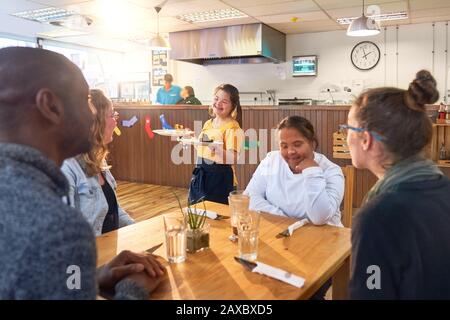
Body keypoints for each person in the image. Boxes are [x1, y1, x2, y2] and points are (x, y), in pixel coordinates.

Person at [0, 47, 165, 299]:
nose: (92, 114)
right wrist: (133, 290)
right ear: (50, 106)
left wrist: (93, 277)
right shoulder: (58, 230)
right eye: (85, 99)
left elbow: (62, 285)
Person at [347, 70, 450, 299]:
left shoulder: (378, 217)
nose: (346, 138)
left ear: (366, 139)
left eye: (349, 129)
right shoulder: (444, 188)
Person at [245, 116, 344, 226]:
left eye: (297, 145)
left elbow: (320, 218)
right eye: (284, 146)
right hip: (281, 232)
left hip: (325, 238)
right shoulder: (271, 160)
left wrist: (313, 172)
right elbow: (250, 197)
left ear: (313, 144)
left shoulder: (332, 171)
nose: (291, 151)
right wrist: (284, 219)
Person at [61, 89, 134, 236]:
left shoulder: (98, 160)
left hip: (111, 256)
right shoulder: (66, 168)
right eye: (112, 115)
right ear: (94, 123)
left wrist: (142, 231)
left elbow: (114, 211)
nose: (115, 121)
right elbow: (65, 233)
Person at [188, 84, 244, 205]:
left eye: (224, 101)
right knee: (196, 215)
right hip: (200, 175)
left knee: (217, 218)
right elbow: (204, 149)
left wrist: (217, 149)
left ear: (233, 106)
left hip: (220, 179)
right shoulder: (208, 123)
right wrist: (192, 140)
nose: (218, 103)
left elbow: (232, 158)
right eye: (216, 98)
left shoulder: (233, 128)